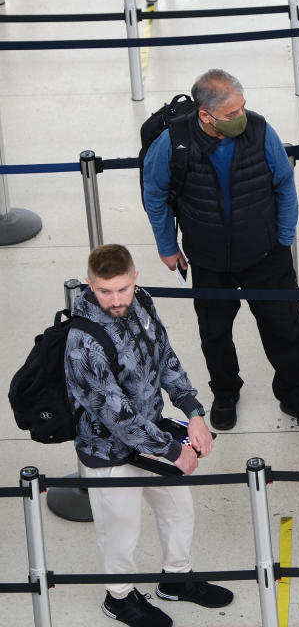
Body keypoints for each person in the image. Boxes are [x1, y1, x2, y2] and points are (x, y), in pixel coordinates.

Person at [143, 68, 299, 432]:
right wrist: (167, 245)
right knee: (215, 332)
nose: (241, 117)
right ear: (205, 115)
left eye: (242, 108)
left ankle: (295, 395)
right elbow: (155, 194)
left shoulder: (259, 130)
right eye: (231, 114)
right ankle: (225, 392)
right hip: (208, 258)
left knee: (284, 326)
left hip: (265, 253)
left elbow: (284, 184)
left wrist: (284, 238)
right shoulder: (172, 143)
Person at [63, 245, 233, 627]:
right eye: (105, 291)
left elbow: (165, 357)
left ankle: (176, 578)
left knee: (178, 511)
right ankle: (119, 598)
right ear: (90, 285)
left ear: (134, 277)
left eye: (122, 288)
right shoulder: (82, 342)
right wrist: (174, 451)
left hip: (152, 437)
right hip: (107, 452)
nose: (116, 299)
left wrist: (193, 412)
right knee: (120, 532)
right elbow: (115, 414)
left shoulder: (141, 301)